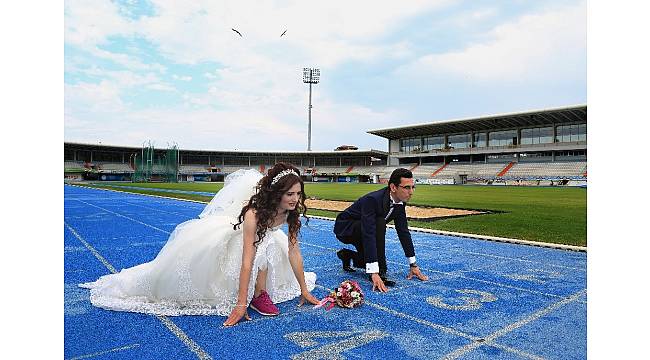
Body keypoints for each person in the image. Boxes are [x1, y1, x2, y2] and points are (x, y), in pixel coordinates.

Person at [80, 163, 319, 326]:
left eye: (298, 194)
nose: (295, 199)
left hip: (263, 242)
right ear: (276, 193)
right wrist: (239, 304)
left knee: (271, 246)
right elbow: (248, 259)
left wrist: (304, 289)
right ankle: (253, 296)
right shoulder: (253, 214)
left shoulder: (291, 213)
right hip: (241, 241)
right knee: (258, 252)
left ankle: (260, 293)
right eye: (289, 194)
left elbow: (294, 251)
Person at [333, 168, 428, 292]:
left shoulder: (400, 203)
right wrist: (376, 272)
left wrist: (413, 265)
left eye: (412, 187)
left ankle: (347, 255)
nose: (411, 192)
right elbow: (369, 233)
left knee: (367, 260)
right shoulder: (372, 200)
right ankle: (381, 271)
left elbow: (403, 232)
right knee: (379, 224)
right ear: (393, 187)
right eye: (406, 188)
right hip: (346, 228)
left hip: (364, 228)